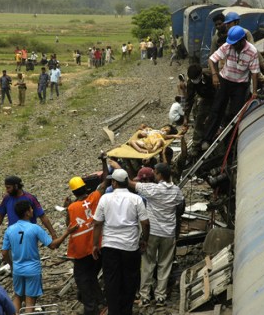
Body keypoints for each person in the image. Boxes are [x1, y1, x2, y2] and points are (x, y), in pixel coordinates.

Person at [2, 200, 78, 314]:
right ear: (27, 213)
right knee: (30, 301)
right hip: (32, 269)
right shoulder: (35, 228)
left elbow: (4, 253)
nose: (33, 210)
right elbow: (53, 245)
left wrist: (12, 265)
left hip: (17, 269)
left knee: (17, 296)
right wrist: (67, 232)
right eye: (31, 209)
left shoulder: (10, 230)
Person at [92, 169, 150, 315]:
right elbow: (145, 223)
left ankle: (114, 311)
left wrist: (94, 244)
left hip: (110, 246)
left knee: (111, 281)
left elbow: (97, 223)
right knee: (129, 280)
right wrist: (144, 239)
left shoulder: (105, 198)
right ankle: (126, 311)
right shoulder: (136, 199)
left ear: (114, 183)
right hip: (130, 247)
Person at [128, 163, 184, 308]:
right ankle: (160, 296)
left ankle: (145, 296)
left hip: (152, 232)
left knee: (148, 264)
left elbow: (131, 184)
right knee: (165, 264)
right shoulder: (176, 191)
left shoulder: (153, 189)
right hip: (168, 233)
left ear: (158, 174)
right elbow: (180, 205)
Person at [201, 26, 260, 150]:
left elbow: (255, 72)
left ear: (242, 40)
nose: (232, 46)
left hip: (240, 85)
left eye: (235, 44)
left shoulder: (252, 51)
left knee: (234, 114)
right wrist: (214, 75)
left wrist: (254, 92)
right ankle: (207, 138)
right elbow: (212, 60)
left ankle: (229, 143)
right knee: (217, 109)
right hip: (225, 80)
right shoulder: (227, 46)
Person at [64, 154, 109, 315]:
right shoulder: (95, 197)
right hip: (97, 246)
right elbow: (105, 180)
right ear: (85, 188)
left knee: (82, 279)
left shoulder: (71, 208)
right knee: (91, 276)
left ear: (73, 192)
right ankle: (102, 302)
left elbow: (69, 226)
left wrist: (66, 207)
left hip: (81, 251)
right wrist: (104, 161)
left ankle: (91, 309)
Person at [0, 176, 58, 245]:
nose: (7, 190)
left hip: (29, 234)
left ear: (16, 186)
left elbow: (42, 216)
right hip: (13, 233)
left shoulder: (30, 198)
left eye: (9, 188)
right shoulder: (7, 198)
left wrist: (53, 233)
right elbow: (0, 214)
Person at [184, 64, 217, 156]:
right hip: (205, 98)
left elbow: (220, 92)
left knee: (216, 118)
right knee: (199, 119)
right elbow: (189, 100)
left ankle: (214, 140)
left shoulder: (210, 76)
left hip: (217, 97)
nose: (194, 81)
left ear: (200, 75)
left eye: (196, 79)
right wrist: (186, 116)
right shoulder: (191, 82)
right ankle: (196, 145)